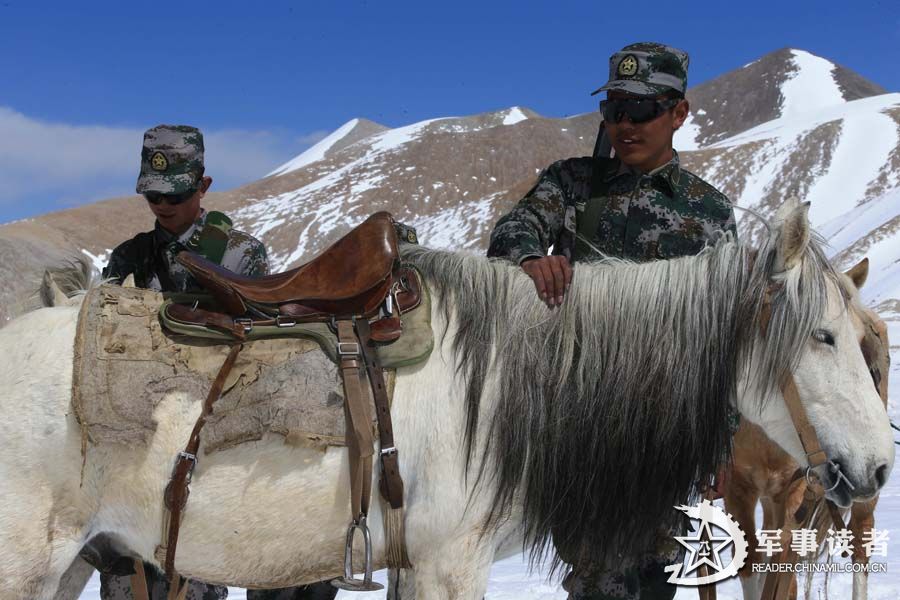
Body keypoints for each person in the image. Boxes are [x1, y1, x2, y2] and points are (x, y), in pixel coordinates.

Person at [487, 43, 736, 600]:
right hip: (583, 423)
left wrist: (719, 441)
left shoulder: (710, 213)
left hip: (669, 431)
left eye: (642, 110)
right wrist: (530, 256)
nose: (625, 124)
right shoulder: (574, 183)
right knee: (598, 585)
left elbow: (720, 339)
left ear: (678, 113)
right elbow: (513, 229)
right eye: (614, 109)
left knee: (655, 583)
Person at [97, 124, 336, 600]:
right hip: (139, 440)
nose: (163, 206)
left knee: (196, 577)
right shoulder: (129, 258)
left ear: (202, 186)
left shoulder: (238, 253)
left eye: (176, 195)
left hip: (216, 437)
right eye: (153, 197)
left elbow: (257, 352)